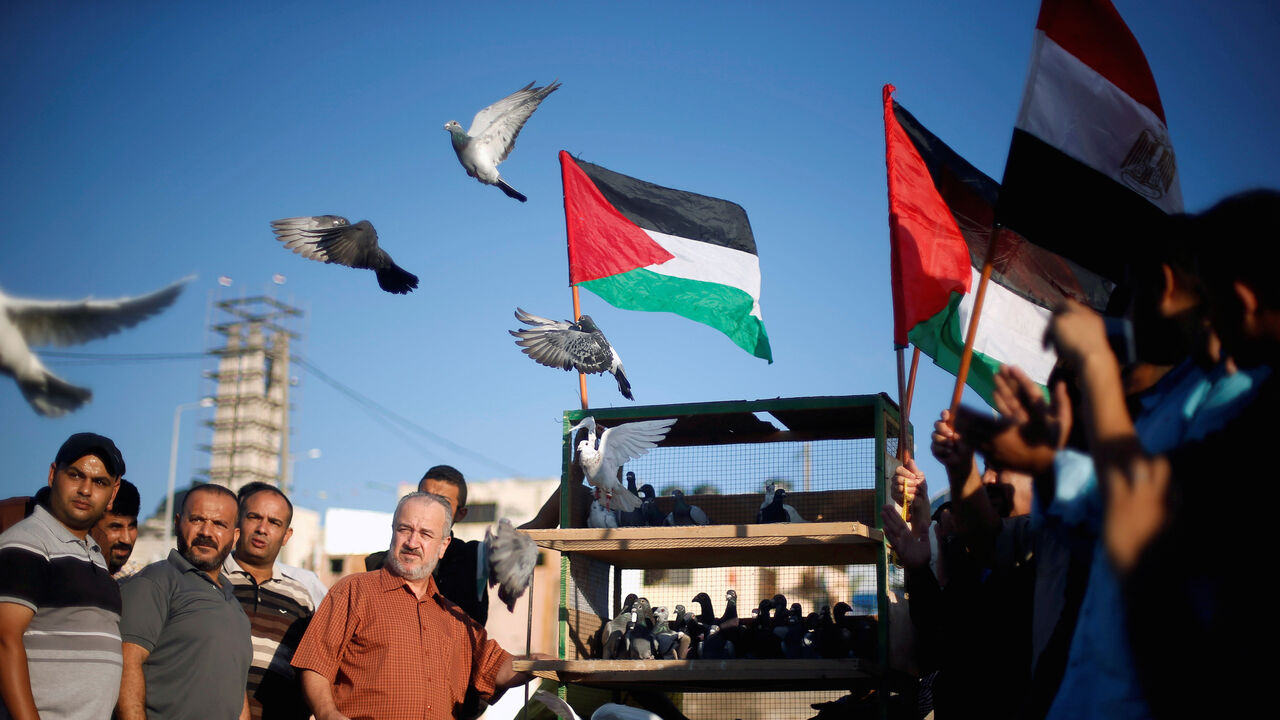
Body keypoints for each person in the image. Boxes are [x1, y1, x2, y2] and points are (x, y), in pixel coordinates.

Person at [1047, 189, 1279, 719]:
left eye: (1215, 306)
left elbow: (1137, 507)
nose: (1214, 340)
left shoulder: (1250, 411)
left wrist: (1098, 371)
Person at [293, 492, 541, 720]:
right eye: (405, 529)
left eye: (425, 534)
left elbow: (497, 668)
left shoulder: (455, 619)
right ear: (392, 532)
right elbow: (315, 664)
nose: (412, 542)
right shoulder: (354, 591)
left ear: (443, 546)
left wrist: (548, 664)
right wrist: (327, 714)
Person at [0, 433, 125, 720]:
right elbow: (5, 641)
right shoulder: (26, 543)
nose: (85, 489)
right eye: (75, 475)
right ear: (53, 474)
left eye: (100, 482)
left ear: (112, 493)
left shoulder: (95, 552)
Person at [117, 484, 252, 720]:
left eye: (219, 524)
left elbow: (236, 695)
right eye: (197, 520)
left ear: (235, 536)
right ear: (178, 522)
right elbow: (126, 665)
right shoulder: (156, 581)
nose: (206, 532)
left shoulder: (235, 606)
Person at [223, 483, 315, 720]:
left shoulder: (300, 597)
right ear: (237, 522)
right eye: (254, 517)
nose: (262, 529)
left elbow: (306, 671)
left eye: (274, 522)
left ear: (286, 536)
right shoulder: (212, 580)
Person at [365, 465, 488, 625]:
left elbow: (518, 545)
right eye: (424, 496)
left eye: (442, 501)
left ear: (460, 513)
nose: (430, 506)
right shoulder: (379, 565)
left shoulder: (475, 558)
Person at [90, 478, 140, 576]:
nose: (126, 539)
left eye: (132, 526)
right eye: (115, 527)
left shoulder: (141, 579)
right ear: (91, 526)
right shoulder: (71, 575)